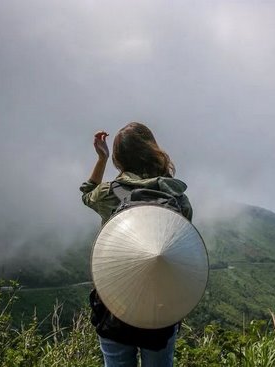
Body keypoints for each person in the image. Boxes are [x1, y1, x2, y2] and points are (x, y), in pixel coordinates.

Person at [79, 122, 193, 367]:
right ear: (153, 150)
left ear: (119, 159)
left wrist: (101, 158)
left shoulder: (108, 194)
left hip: (113, 302)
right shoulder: (177, 197)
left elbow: (87, 193)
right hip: (160, 306)